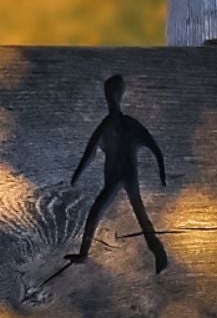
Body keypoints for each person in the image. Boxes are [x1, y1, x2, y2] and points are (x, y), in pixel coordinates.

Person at [68, 74, 170, 273]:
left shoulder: (120, 124)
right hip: (117, 177)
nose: (110, 97)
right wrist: (77, 175)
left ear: (116, 95)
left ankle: (158, 251)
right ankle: (84, 253)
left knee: (131, 213)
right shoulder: (114, 124)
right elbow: (89, 152)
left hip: (121, 176)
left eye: (112, 93)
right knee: (110, 212)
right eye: (109, 94)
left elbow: (155, 148)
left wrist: (162, 173)